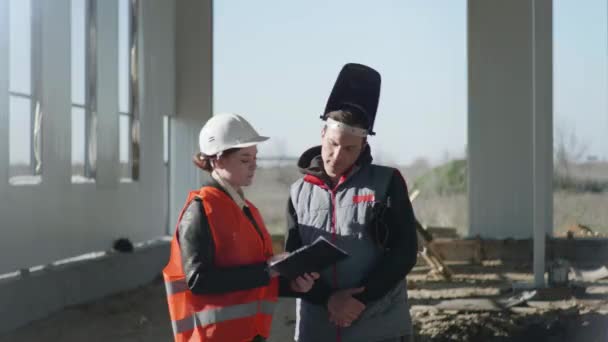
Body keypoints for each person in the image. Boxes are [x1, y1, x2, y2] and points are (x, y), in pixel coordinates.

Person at [285, 64, 418, 342]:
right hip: (317, 326)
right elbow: (295, 258)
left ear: (363, 147)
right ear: (322, 134)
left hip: (378, 325)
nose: (337, 155)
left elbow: (405, 251)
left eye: (349, 149)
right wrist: (329, 300)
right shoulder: (298, 192)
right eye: (333, 143)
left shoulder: (387, 182)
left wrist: (360, 298)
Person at [163, 113, 318, 342]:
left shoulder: (245, 209)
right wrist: (268, 270)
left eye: (255, 158)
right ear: (217, 160)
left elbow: (256, 275)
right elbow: (198, 280)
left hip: (249, 334)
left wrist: (291, 283)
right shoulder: (201, 210)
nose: (254, 166)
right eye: (245, 159)